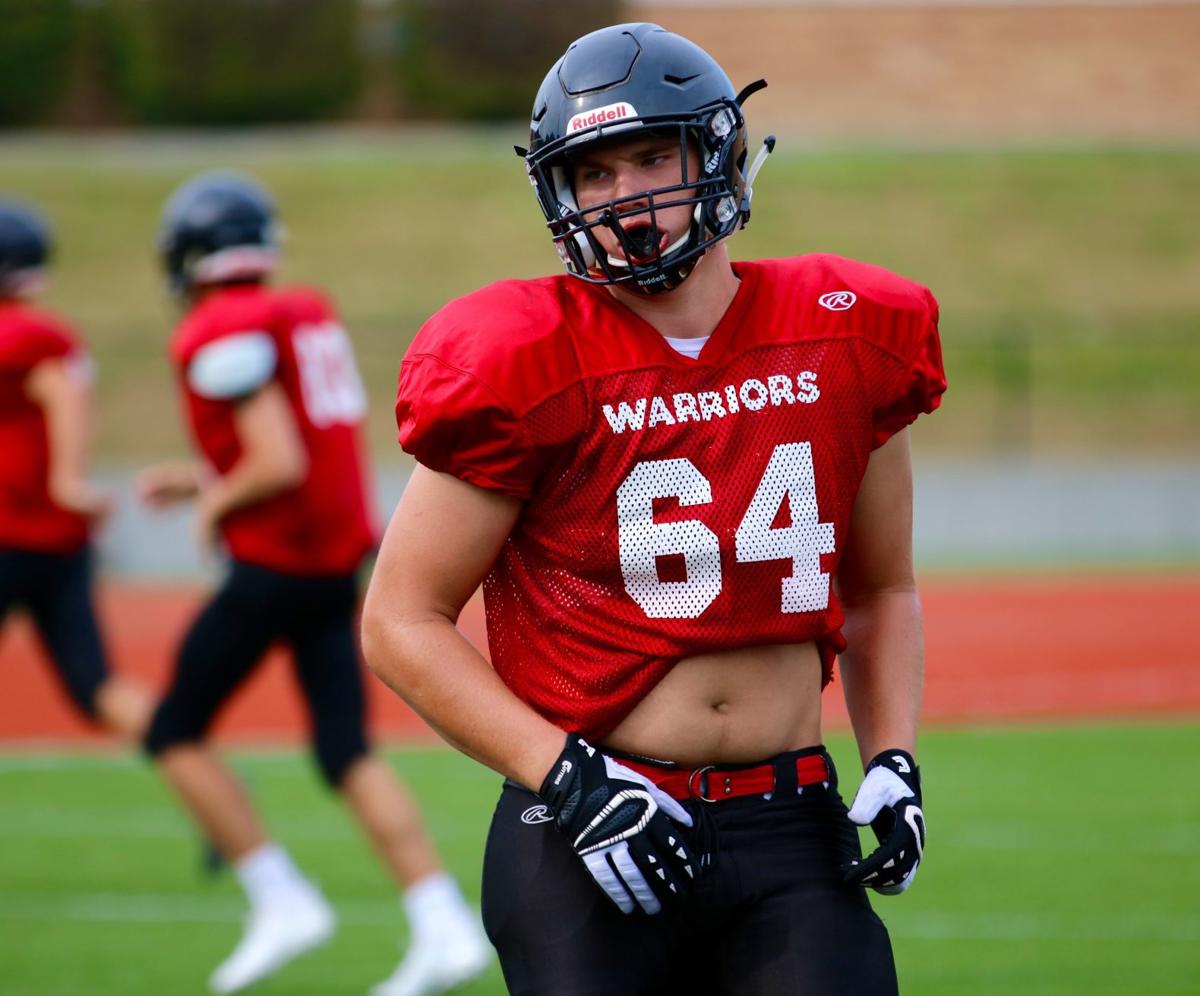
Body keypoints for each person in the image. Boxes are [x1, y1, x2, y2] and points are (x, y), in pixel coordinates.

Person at [362, 21, 944, 996]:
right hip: (588, 828)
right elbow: (399, 620)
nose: (627, 196)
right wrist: (572, 781)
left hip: (789, 819)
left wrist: (894, 760)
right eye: (595, 173)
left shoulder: (845, 330)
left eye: (649, 157)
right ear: (559, 192)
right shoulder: (519, 358)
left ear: (716, 153)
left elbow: (883, 587)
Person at [136, 172, 490, 996]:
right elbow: (302, 445)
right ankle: (442, 921)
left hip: (274, 567)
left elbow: (276, 459)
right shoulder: (301, 312)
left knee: (172, 730)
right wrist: (200, 480)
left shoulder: (221, 327)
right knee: (344, 751)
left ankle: (280, 896)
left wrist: (216, 500)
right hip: (333, 561)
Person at [0, 198, 153, 742]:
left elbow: (61, 394)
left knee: (96, 687)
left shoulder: (23, 334)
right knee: (96, 687)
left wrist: (65, 481)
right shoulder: (44, 332)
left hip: (13, 530)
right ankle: (194, 762)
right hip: (57, 542)